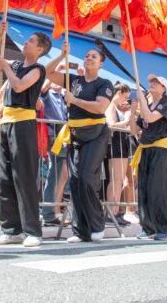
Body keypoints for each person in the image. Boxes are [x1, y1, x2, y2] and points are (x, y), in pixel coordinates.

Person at [0, 21, 50, 247]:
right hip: (6, 123)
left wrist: (7, 68)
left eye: (31, 41)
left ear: (40, 49)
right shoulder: (18, 63)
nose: (26, 42)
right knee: (4, 178)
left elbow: (20, 86)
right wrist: (0, 35)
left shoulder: (37, 69)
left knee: (24, 178)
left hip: (23, 124)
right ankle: (11, 229)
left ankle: (33, 231)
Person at [46, 44, 113, 243]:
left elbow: (101, 106)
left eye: (94, 57)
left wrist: (74, 101)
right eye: (86, 56)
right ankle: (80, 230)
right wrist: (61, 55)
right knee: (74, 182)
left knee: (86, 178)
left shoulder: (104, 83)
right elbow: (48, 72)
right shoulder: (74, 80)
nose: (89, 58)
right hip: (75, 133)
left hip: (96, 133)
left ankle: (96, 224)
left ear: (100, 63)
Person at [129, 74, 167, 240]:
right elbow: (134, 130)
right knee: (144, 190)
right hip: (145, 149)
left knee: (158, 189)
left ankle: (163, 227)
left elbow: (150, 117)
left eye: (157, 82)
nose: (152, 84)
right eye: (151, 82)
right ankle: (147, 227)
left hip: (160, 149)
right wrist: (134, 112)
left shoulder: (166, 104)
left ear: (164, 89)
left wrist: (143, 102)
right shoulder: (147, 107)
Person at [40, 80, 69, 226]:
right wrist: (52, 76)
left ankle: (50, 212)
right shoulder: (49, 94)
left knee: (58, 175)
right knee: (54, 175)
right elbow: (43, 89)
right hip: (53, 136)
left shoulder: (63, 97)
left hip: (62, 137)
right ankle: (48, 213)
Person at [105, 82, 133, 227]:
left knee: (118, 180)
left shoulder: (114, 107)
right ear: (119, 93)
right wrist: (125, 123)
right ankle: (111, 211)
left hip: (120, 146)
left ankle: (114, 211)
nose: (125, 101)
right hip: (115, 146)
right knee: (115, 180)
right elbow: (110, 124)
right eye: (125, 97)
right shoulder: (111, 106)